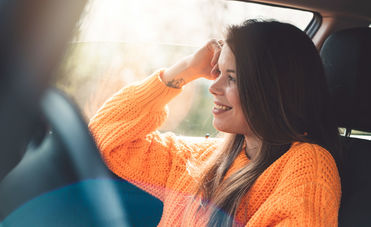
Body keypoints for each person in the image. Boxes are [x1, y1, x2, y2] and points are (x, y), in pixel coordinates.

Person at [89, 19, 342, 226]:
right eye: (217, 72)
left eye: (231, 78)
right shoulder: (206, 158)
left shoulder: (307, 163)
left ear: (273, 89)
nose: (213, 86)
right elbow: (105, 137)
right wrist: (186, 69)